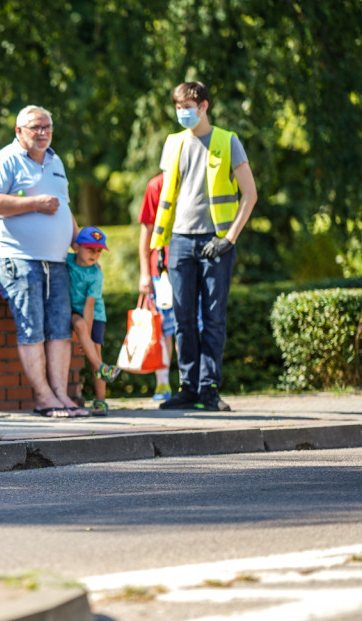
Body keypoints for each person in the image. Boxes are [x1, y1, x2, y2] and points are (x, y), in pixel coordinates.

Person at [150, 81, 257, 412]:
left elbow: (249, 195)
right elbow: (166, 200)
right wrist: (160, 247)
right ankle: (188, 388)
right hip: (180, 241)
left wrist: (228, 239)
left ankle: (209, 389)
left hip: (216, 242)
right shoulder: (173, 143)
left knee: (212, 319)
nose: (183, 113)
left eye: (189, 107)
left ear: (204, 106)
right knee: (182, 319)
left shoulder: (228, 141)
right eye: (178, 107)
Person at [0, 105, 85, 419]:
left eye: (46, 126)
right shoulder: (5, 159)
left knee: (59, 330)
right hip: (19, 258)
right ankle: (43, 398)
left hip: (56, 260)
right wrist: (35, 203)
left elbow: (64, 206)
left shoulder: (56, 161)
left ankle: (61, 396)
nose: (41, 132)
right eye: (34, 127)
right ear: (19, 131)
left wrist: (78, 241)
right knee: (32, 329)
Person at [67, 226, 120, 417]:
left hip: (94, 315)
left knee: (95, 354)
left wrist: (86, 338)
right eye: (90, 249)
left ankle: (101, 400)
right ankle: (102, 368)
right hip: (73, 311)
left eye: (98, 251)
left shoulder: (96, 274)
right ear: (76, 247)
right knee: (79, 325)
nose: (95, 254)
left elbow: (89, 306)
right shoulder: (67, 261)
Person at [137, 173, 177, 402]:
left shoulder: (196, 179)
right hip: (161, 271)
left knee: (190, 329)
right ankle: (162, 383)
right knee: (163, 330)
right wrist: (145, 273)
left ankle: (188, 383)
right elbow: (147, 231)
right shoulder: (156, 185)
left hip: (192, 269)